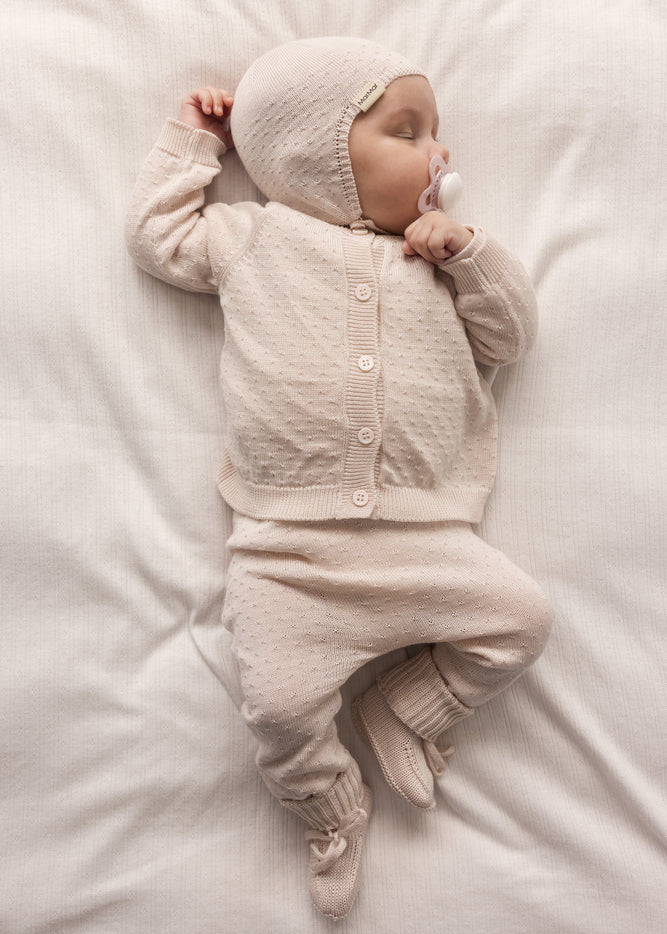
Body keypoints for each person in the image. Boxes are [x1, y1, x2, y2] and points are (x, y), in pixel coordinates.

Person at [126, 36, 554, 919]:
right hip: (289, 552)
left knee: (520, 621)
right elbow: (155, 236)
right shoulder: (252, 237)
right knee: (278, 712)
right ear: (314, 150)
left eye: (437, 134)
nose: (439, 154)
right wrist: (195, 144)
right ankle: (330, 805)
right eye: (408, 131)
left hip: (424, 538)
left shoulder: (439, 261)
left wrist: (468, 254)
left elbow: (509, 338)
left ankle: (407, 706)